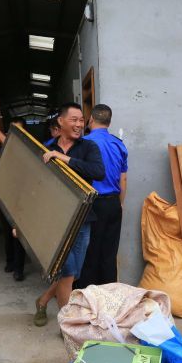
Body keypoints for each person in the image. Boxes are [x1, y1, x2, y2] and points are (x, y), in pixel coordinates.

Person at [34, 102, 104, 327]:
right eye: (74, 119)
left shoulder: (88, 147)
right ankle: (68, 324)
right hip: (54, 220)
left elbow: (98, 172)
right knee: (68, 271)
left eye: (82, 120)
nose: (79, 124)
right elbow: (35, 186)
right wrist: (22, 222)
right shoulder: (45, 149)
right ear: (61, 121)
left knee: (74, 273)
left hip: (82, 219)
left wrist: (65, 159)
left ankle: (43, 300)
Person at [75, 104, 128, 289]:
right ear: (109, 122)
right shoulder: (118, 144)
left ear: (91, 119)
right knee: (109, 253)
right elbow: (123, 178)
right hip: (113, 203)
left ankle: (88, 296)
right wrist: (120, 204)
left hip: (91, 204)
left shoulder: (83, 144)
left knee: (89, 252)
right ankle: (109, 296)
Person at [0, 116, 27, 281]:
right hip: (6, 196)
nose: (14, 133)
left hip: (22, 197)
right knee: (8, 233)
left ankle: (19, 269)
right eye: (12, 130)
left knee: (18, 234)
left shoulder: (25, 146)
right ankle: (10, 262)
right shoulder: (4, 147)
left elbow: (10, 145)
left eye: (18, 130)